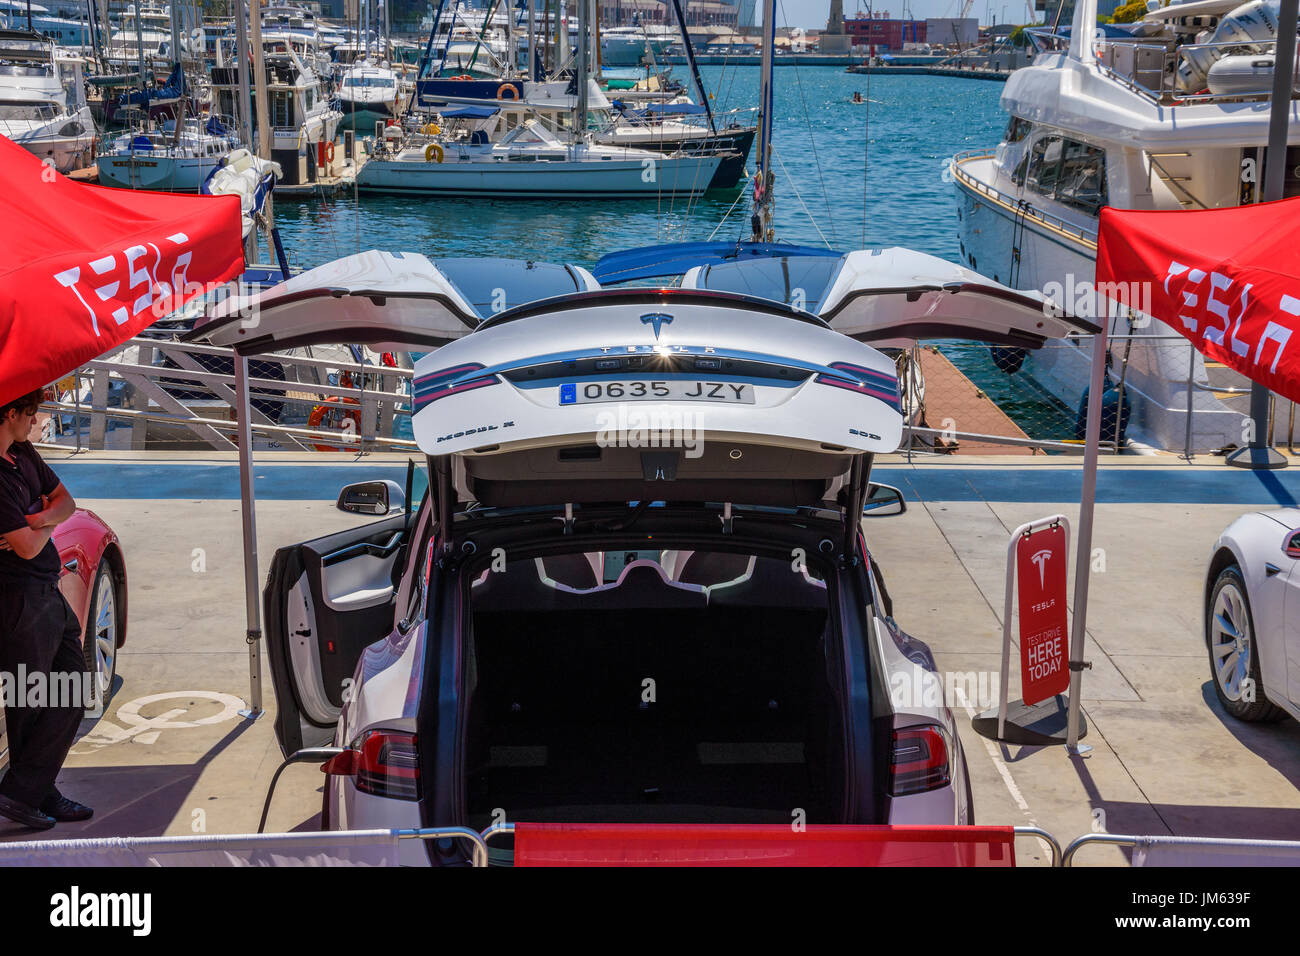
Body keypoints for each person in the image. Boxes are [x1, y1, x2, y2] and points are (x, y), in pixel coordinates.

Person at [0, 387, 93, 830]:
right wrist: (43, 518)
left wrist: (38, 515)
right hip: (16, 598)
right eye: (31, 413)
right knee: (29, 698)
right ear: (12, 413)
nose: (35, 422)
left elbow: (67, 503)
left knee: (73, 684)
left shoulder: (22, 454)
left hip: (46, 590)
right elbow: (23, 548)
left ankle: (26, 791)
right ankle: (30, 794)